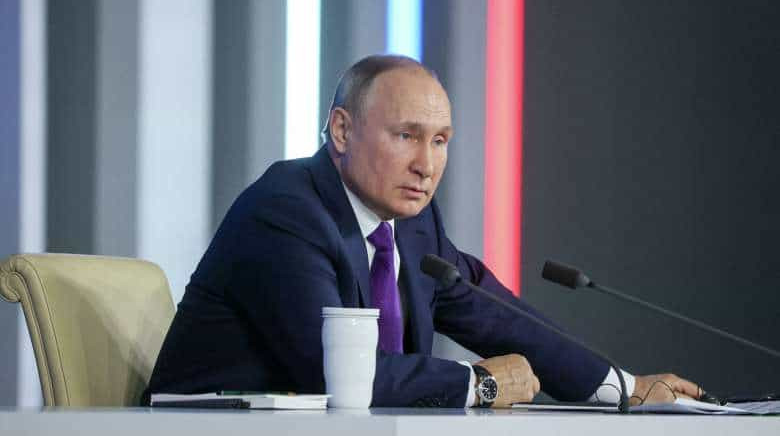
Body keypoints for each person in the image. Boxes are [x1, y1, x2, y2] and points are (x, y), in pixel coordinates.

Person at [146, 55, 702, 407]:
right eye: (407, 136)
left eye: (440, 141)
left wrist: (625, 388)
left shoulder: (413, 226)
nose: (427, 165)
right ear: (341, 130)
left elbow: (494, 315)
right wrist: (478, 384)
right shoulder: (286, 211)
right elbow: (336, 375)